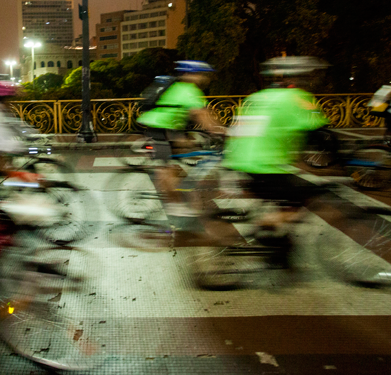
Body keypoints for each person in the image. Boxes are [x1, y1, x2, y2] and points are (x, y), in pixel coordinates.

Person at [224, 56, 329, 268]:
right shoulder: (298, 98)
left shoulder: (255, 98)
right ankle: (261, 231)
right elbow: (321, 134)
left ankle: (276, 241)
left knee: (279, 197)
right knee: (300, 200)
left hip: (239, 162)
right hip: (265, 167)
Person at [136, 60, 224, 216]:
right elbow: (201, 114)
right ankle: (173, 204)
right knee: (166, 168)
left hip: (169, 127)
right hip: (159, 127)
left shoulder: (183, 88)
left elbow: (202, 114)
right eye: (200, 75)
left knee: (183, 150)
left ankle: (176, 184)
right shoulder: (188, 90)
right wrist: (219, 130)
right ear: (189, 75)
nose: (203, 78)